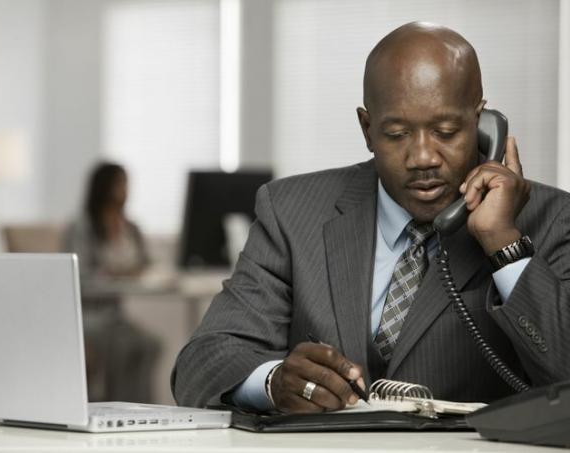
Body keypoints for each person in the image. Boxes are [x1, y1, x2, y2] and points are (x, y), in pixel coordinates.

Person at [171, 22, 570, 413]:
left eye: (447, 131)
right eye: (396, 134)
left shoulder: (550, 219)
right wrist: (274, 383)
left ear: (481, 124)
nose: (423, 158)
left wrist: (505, 245)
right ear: (367, 128)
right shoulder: (291, 211)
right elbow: (201, 363)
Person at [64, 162, 160, 403]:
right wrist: (116, 274)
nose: (125, 190)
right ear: (104, 187)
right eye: (120, 184)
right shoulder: (81, 227)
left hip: (115, 314)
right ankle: (114, 405)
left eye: (126, 184)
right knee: (122, 346)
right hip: (88, 314)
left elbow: (146, 263)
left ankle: (140, 407)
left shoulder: (131, 228)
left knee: (149, 345)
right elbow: (78, 273)